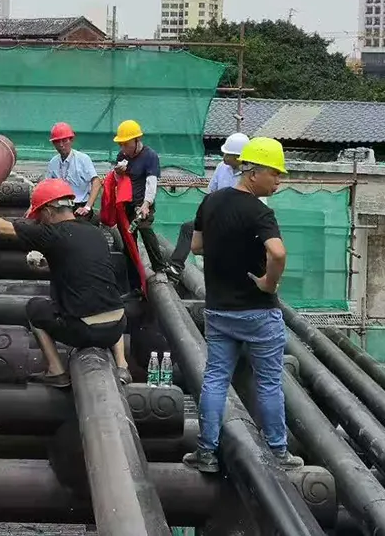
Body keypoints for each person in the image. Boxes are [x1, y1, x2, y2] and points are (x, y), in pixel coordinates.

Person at [182, 137, 303, 473]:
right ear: (252, 173)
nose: (279, 180)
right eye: (274, 173)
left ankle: (206, 451)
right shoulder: (260, 212)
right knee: (268, 381)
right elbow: (277, 253)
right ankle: (278, 451)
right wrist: (269, 282)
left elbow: (196, 246)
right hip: (258, 312)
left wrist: (225, 248)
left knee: (216, 379)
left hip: (220, 310)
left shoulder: (211, 202)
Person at [0, 178, 130, 388]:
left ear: (49, 211)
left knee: (35, 308)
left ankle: (56, 371)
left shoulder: (52, 234)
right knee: (106, 294)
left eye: (40, 216)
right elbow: (83, 269)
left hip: (86, 331)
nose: (40, 221)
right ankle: (122, 364)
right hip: (118, 326)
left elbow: (2, 228)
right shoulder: (95, 233)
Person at [166, 132, 250, 280]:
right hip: (216, 218)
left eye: (227, 154)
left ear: (239, 157)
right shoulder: (221, 168)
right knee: (188, 228)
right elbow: (211, 193)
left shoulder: (249, 176)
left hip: (236, 225)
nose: (223, 157)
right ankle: (176, 267)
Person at [113, 119, 167, 274]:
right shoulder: (121, 156)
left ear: (137, 141)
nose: (123, 148)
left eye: (126, 144)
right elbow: (117, 181)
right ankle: (134, 277)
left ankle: (159, 267)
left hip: (142, 203)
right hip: (126, 205)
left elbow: (151, 182)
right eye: (120, 144)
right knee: (128, 239)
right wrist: (118, 173)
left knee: (144, 227)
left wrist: (146, 204)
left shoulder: (150, 156)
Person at [45, 122, 101, 221]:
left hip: (80, 205)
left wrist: (87, 207)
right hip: (61, 206)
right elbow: (46, 186)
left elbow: (96, 182)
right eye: (57, 142)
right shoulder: (53, 162)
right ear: (54, 144)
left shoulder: (83, 159)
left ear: (71, 140)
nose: (61, 145)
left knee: (75, 227)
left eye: (64, 141)